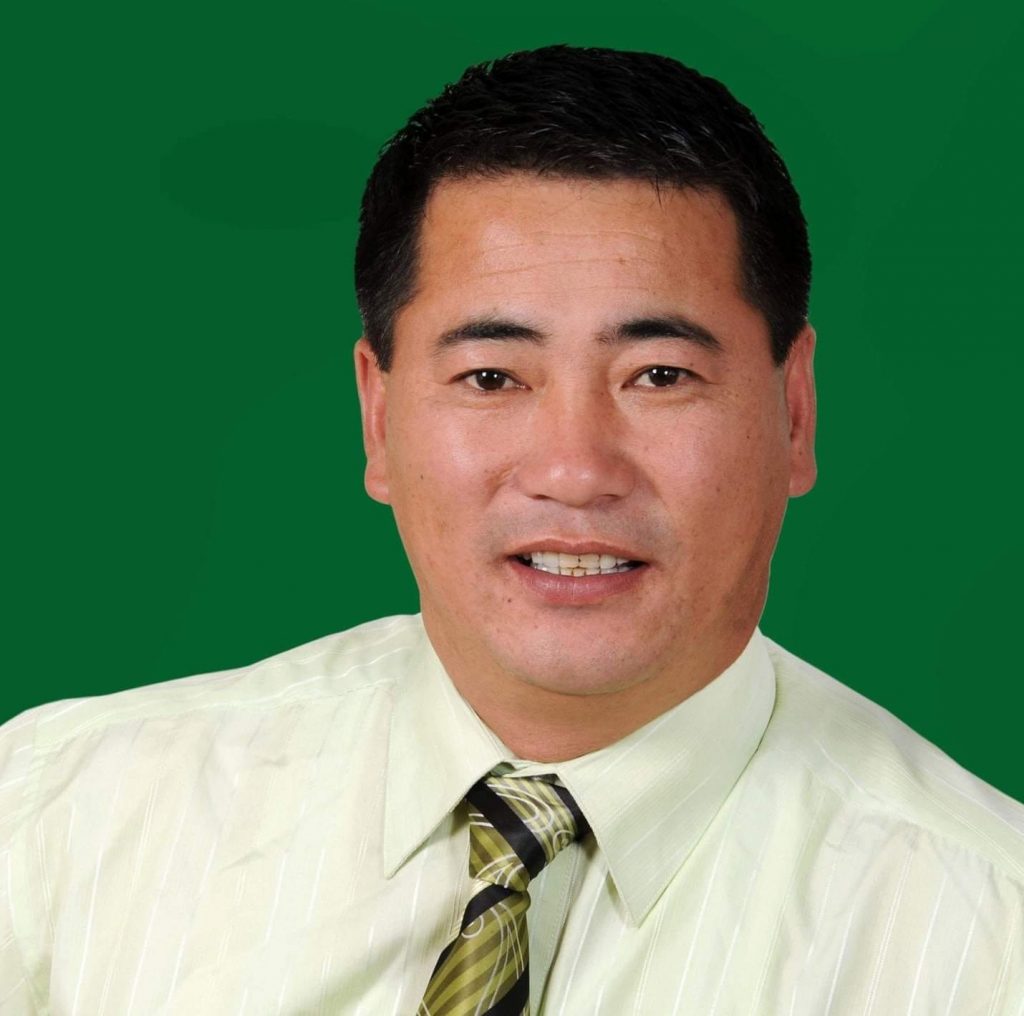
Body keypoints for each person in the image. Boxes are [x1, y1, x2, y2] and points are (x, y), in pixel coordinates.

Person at [1, 44, 1021, 1015]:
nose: (574, 469)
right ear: (378, 418)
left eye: (659, 375)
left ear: (794, 412)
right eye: (491, 376)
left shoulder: (987, 934)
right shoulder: (55, 821)